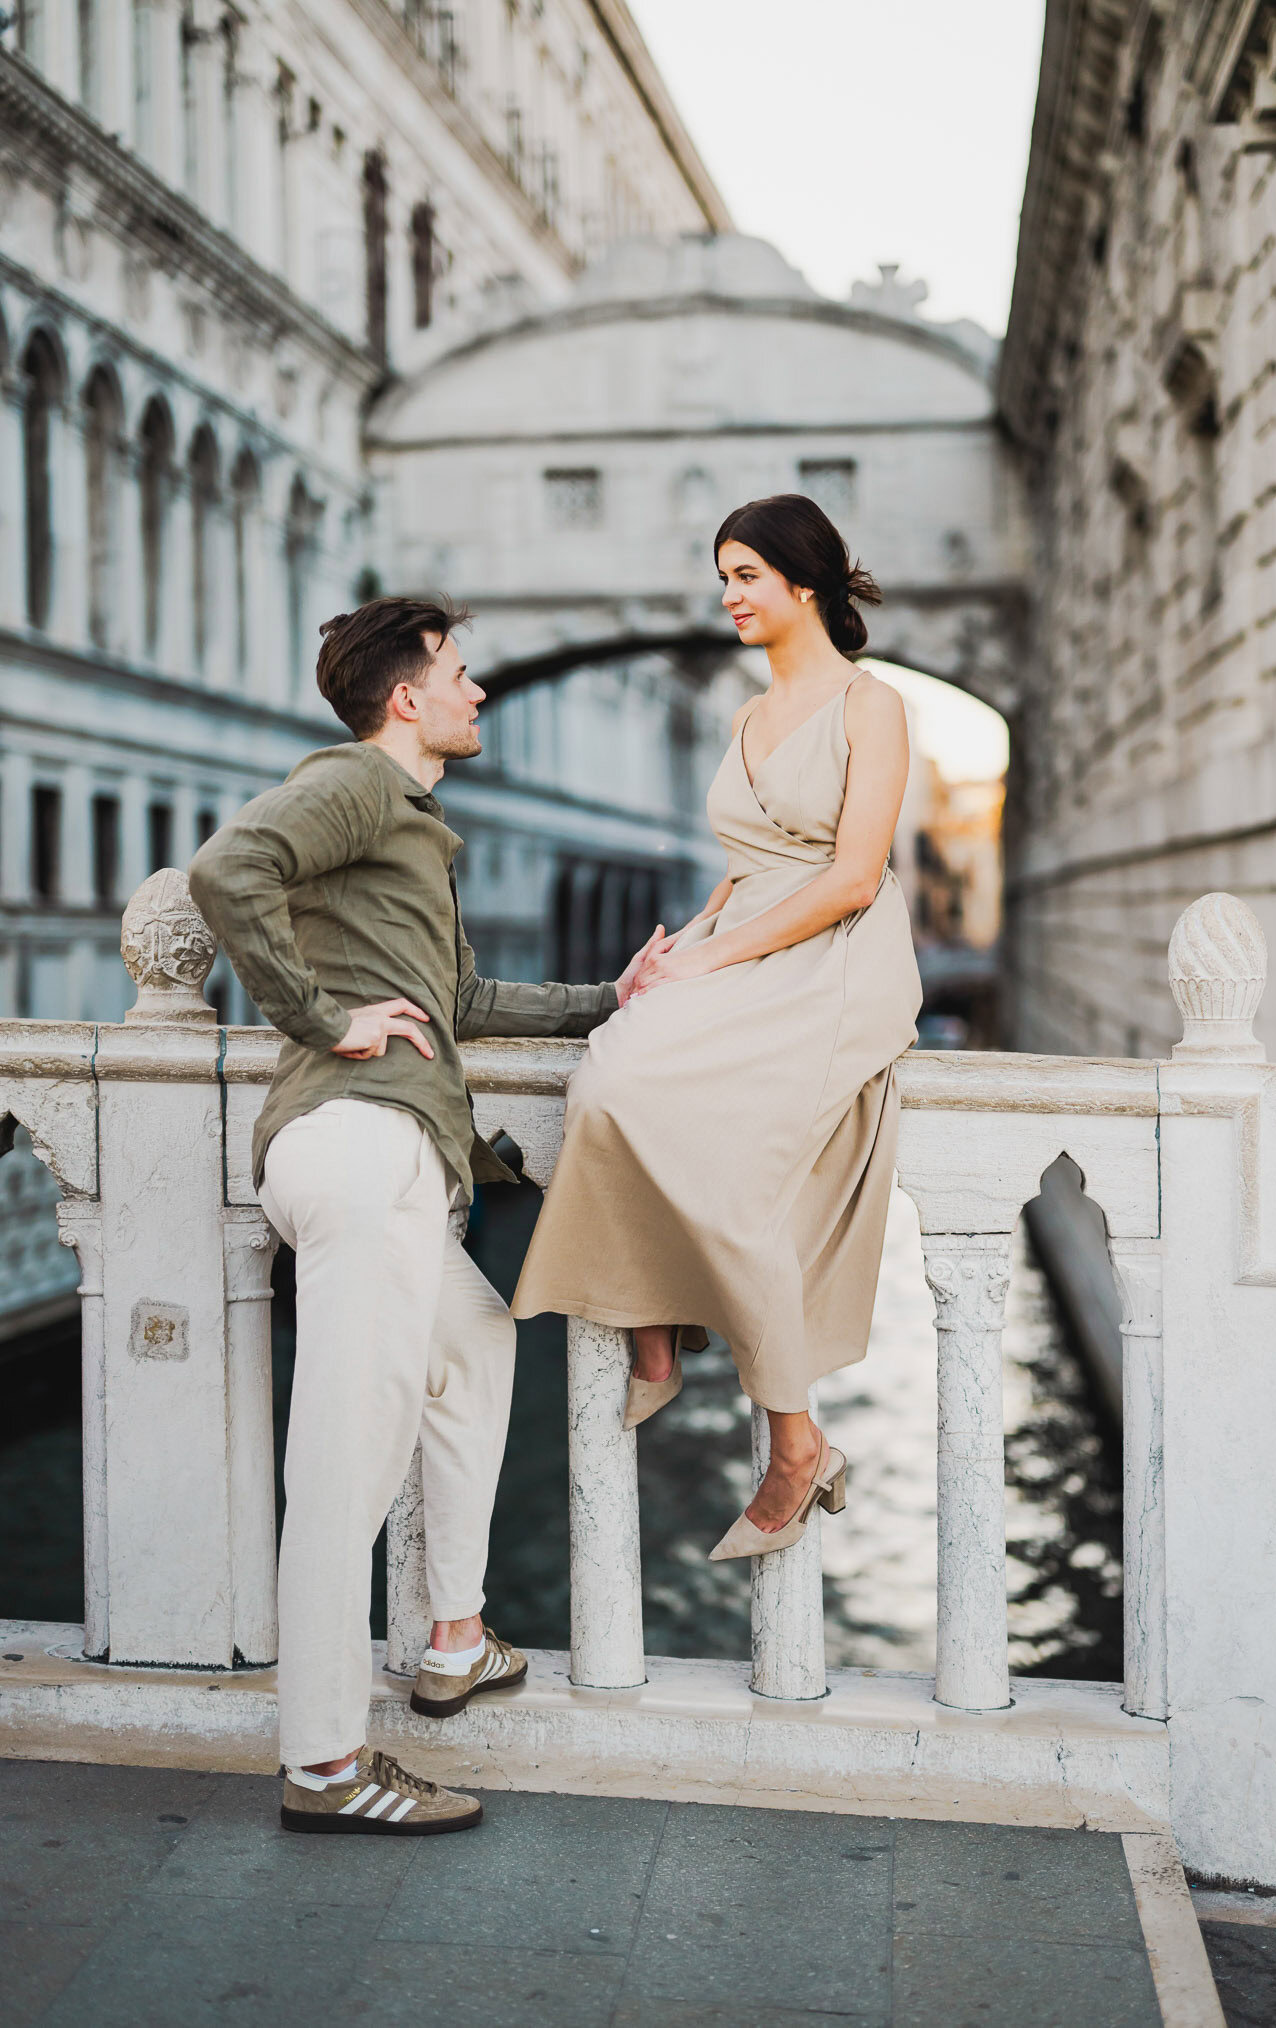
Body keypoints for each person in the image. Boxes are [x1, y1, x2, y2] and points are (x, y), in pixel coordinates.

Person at [189, 595, 653, 1835]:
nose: (477, 690)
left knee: (479, 1337)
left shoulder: (408, 825)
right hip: (360, 1142)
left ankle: (451, 1637)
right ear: (407, 697)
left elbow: (457, 997)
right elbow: (226, 871)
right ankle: (326, 1767)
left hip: (387, 1155)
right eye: (458, 671)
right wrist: (321, 1018)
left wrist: (610, 995)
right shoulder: (350, 781)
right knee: (342, 1470)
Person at [512, 496, 923, 1557]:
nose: (729, 596)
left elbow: (851, 876)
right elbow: (742, 866)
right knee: (607, 1074)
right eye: (724, 577)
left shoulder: (868, 705)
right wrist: (670, 950)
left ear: (804, 583)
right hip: (744, 934)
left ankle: (794, 1442)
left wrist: (709, 960)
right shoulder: (745, 714)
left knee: (729, 1165)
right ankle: (655, 1330)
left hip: (836, 957)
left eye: (745, 575)